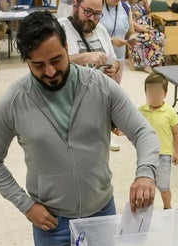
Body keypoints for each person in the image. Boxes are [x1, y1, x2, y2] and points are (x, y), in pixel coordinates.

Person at [0, 11, 159, 246]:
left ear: (67, 47)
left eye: (56, 60)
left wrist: (145, 174)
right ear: (26, 61)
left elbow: (143, 132)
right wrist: (25, 205)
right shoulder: (14, 101)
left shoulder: (100, 87)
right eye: (39, 65)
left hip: (101, 214)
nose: (51, 72)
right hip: (51, 224)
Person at [58, 0, 122, 151]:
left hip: (98, 107)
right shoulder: (59, 28)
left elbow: (114, 60)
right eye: (88, 12)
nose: (92, 18)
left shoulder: (101, 30)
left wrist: (114, 67)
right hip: (69, 111)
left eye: (97, 14)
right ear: (75, 5)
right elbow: (52, 64)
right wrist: (84, 57)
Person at [139, 73, 178, 209]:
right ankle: (145, 210)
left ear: (165, 93)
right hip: (146, 155)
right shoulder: (141, 111)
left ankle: (167, 208)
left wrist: (177, 152)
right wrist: (121, 131)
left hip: (164, 156)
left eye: (158, 93)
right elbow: (134, 127)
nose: (154, 96)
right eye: (150, 93)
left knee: (163, 186)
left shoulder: (170, 112)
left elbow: (176, 133)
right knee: (146, 184)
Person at [100, 0, 135, 84]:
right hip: (101, 59)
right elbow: (90, 33)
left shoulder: (126, 7)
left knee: (114, 92)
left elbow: (131, 32)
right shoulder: (98, 5)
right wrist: (110, 41)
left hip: (120, 59)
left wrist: (132, 38)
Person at [127, 0, 165, 73]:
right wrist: (146, 31)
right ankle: (146, 64)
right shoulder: (127, 6)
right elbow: (132, 24)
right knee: (149, 38)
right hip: (136, 30)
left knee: (161, 36)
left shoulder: (138, 4)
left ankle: (157, 62)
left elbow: (148, 11)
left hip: (147, 28)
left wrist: (146, 3)